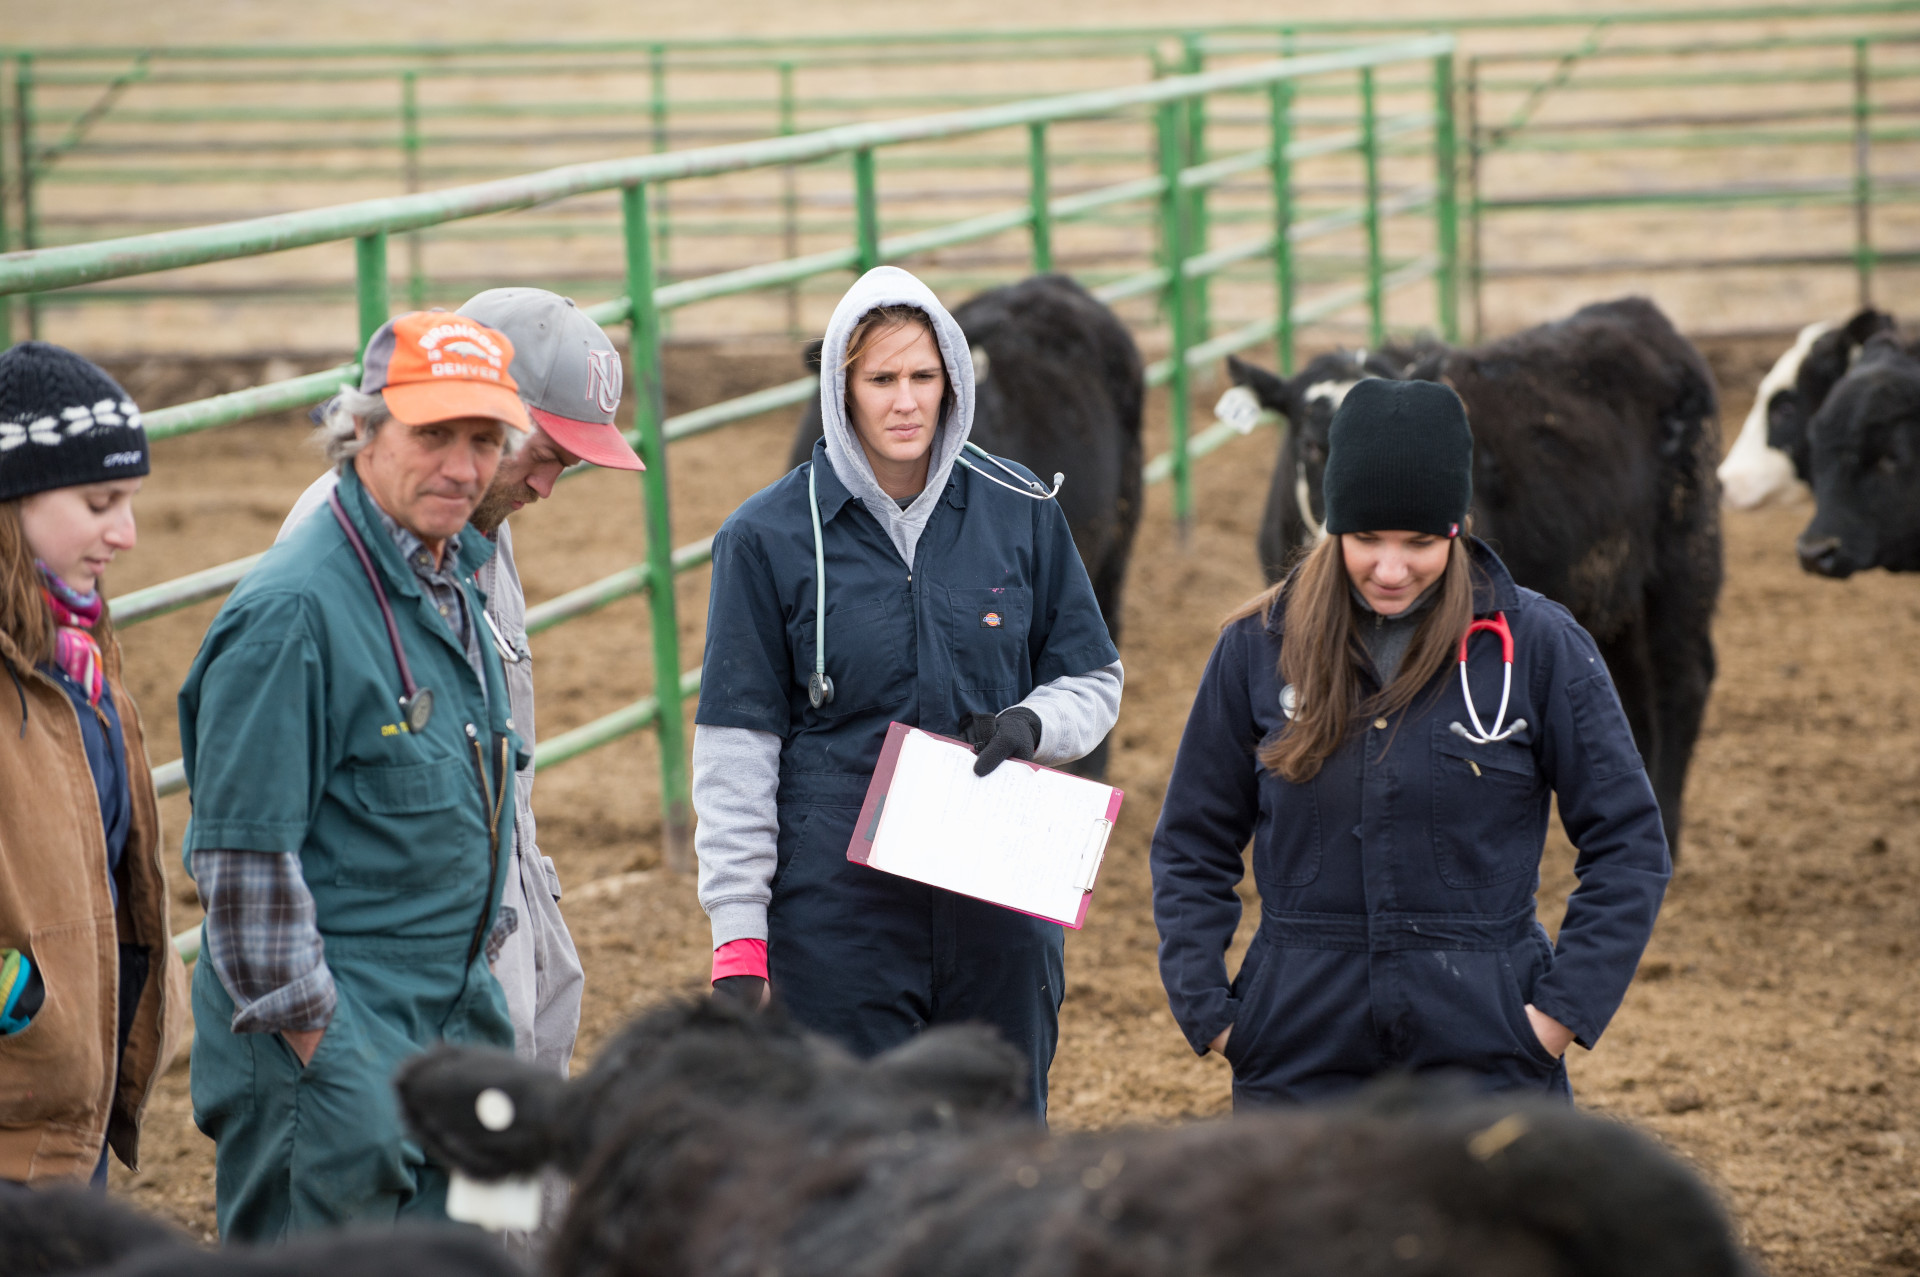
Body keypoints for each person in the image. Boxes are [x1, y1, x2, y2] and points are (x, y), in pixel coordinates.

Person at [1150, 378, 1670, 1107]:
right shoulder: (1255, 648)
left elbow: (1629, 844)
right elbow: (1191, 842)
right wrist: (1214, 1014)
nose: (1390, 570)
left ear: (1457, 525)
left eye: (1419, 542)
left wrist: (1553, 1018)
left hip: (1488, 1052)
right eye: (1365, 539)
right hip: (1300, 1045)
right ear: (1332, 525)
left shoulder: (1542, 646)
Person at [693, 266, 1122, 1115]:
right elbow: (736, 750)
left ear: (954, 379)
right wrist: (739, 943)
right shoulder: (766, 537)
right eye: (880, 378)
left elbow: (1094, 677)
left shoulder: (1022, 508)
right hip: (838, 914)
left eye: (923, 377)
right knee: (853, 1159)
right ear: (840, 387)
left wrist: (1033, 723)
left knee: (999, 1157)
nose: (904, 402)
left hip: (995, 893)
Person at [178, 311, 529, 1239]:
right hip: (334, 1036)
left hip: (455, 1015)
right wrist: (324, 1052)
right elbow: (243, 858)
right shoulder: (294, 612)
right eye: (434, 434)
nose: (462, 466)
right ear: (362, 429)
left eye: (485, 439)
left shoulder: (455, 574)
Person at [277, 289, 641, 1084]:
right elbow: (257, 829)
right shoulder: (322, 570)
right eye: (544, 456)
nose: (544, 486)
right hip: (396, 983)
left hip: (487, 929)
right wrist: (322, 1035)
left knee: (509, 1176)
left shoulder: (478, 531)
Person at [0, 341, 186, 1186]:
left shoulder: (76, 649)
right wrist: (22, 1006)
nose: (128, 532)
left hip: (67, 1114)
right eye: (101, 500)